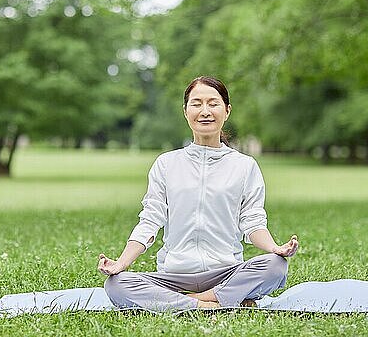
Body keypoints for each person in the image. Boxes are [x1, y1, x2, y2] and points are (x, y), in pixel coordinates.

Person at [97, 76, 299, 311]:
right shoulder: (166, 164)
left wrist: (275, 248)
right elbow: (150, 220)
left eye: (213, 103)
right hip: (173, 277)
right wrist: (121, 263)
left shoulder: (245, 166)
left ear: (227, 110)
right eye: (197, 103)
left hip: (226, 272)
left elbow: (253, 222)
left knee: (276, 266)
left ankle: (193, 300)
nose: (205, 111)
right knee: (117, 284)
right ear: (185, 111)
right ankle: (210, 303)